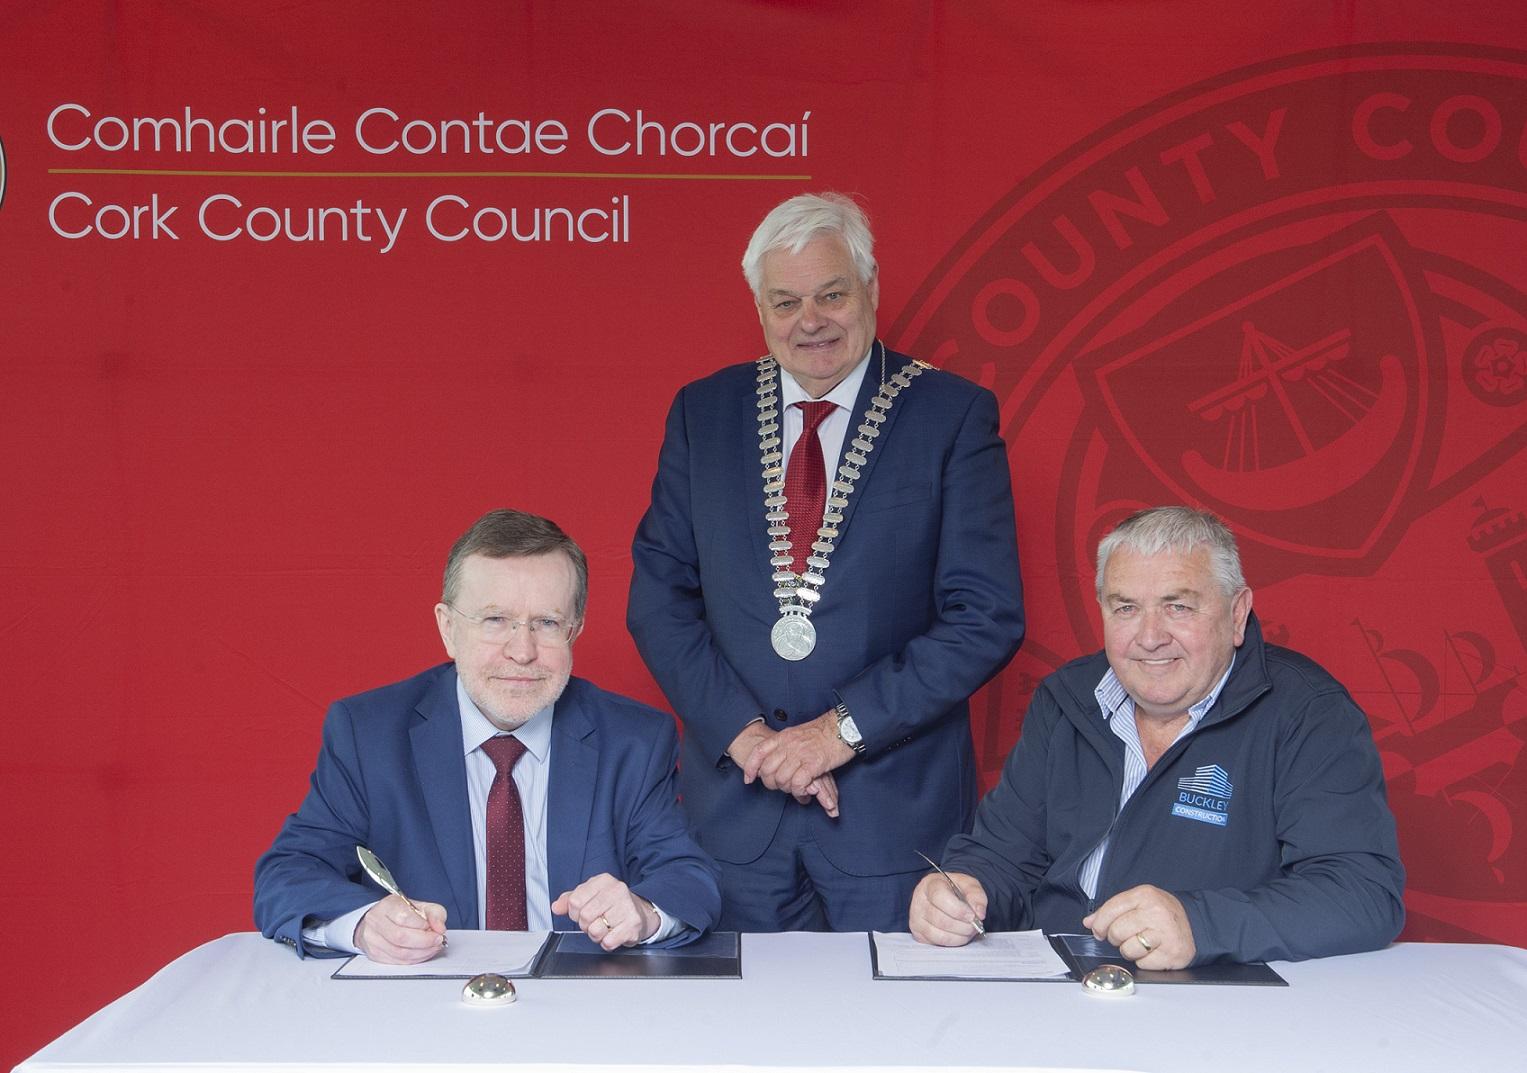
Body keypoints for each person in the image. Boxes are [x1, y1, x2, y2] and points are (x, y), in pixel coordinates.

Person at [628, 193, 1025, 931]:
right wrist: (748, 740)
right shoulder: (702, 413)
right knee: (733, 1046)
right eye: (784, 301)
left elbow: (985, 615)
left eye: (831, 294)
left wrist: (834, 733)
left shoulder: (951, 414)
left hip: (892, 824)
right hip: (734, 821)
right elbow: (658, 600)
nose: (809, 321)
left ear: (870, 290)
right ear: (759, 306)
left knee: (899, 1045)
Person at [910, 506, 1405, 966]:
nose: (1149, 637)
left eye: (1178, 607)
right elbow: (1001, 856)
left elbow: (1361, 894)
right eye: (1126, 608)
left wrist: (1200, 925)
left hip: (1217, 1004)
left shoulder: (1308, 713)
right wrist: (961, 889)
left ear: (1237, 614)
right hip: (1053, 990)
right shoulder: (1066, 698)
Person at [255, 509, 721, 962]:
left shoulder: (634, 740)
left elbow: (688, 878)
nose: (522, 652)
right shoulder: (368, 734)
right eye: (495, 620)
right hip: (421, 1011)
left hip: (581, 1007)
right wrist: (363, 925)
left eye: (547, 623)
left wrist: (642, 913)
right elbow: (288, 874)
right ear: (448, 628)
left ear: (574, 631)